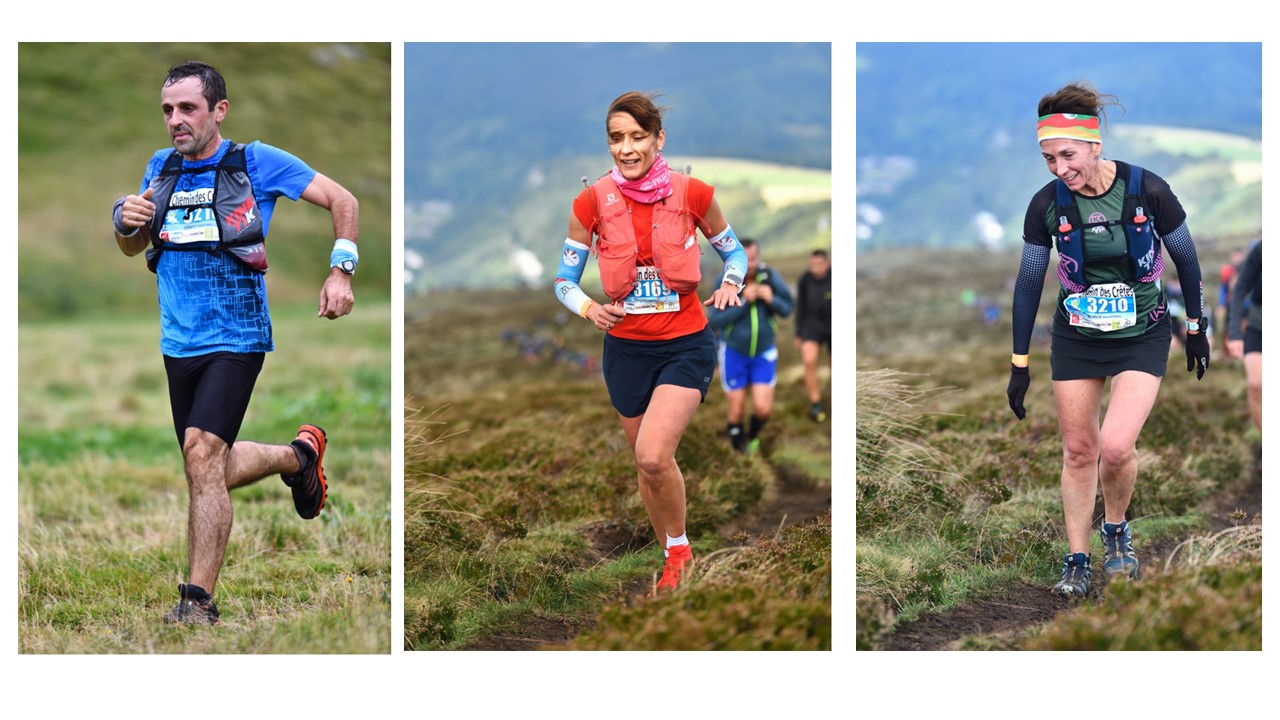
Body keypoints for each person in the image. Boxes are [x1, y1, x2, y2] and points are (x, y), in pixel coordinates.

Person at [112, 61, 360, 624]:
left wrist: (340, 270)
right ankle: (298, 457)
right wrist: (126, 223)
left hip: (238, 331)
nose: (176, 121)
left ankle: (197, 603)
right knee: (207, 469)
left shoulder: (256, 162)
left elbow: (343, 199)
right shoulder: (161, 167)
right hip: (179, 341)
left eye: (188, 108)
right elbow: (135, 248)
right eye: (168, 110)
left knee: (203, 454)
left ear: (218, 110)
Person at [1006, 83, 1208, 599]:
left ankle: (1116, 531)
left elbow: (1185, 258)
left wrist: (1197, 328)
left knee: (1116, 448)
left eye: (1067, 154)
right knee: (1079, 451)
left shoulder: (1147, 189)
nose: (1058, 167)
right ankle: (1077, 558)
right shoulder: (1045, 205)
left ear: (1095, 144)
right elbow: (1030, 280)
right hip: (1077, 337)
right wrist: (1019, 362)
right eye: (1048, 157)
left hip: (1143, 333)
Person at [553, 91, 747, 592]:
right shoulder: (591, 202)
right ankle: (670, 555)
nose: (626, 148)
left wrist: (731, 284)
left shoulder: (696, 194)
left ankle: (680, 554)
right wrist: (590, 308)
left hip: (686, 344)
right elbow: (563, 282)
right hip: (625, 351)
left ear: (659, 139)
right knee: (647, 465)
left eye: (638, 137)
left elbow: (735, 254)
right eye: (616, 138)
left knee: (654, 456)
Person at [707, 238, 793, 454]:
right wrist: (744, 301)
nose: (750, 263)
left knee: (763, 410)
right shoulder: (725, 281)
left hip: (763, 354)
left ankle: (752, 437)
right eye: (745, 259)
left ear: (759, 257)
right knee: (735, 411)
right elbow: (714, 320)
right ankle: (739, 454)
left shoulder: (770, 277)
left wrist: (771, 299)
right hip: (734, 354)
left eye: (753, 258)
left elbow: (787, 309)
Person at [1226, 239, 1262, 431]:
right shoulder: (1262, 248)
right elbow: (1240, 288)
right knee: (1256, 385)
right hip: (1258, 324)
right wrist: (1235, 333)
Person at [794, 249, 832, 422]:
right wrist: (798, 333)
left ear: (827, 263)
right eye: (812, 265)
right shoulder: (804, 280)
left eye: (819, 264)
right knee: (809, 361)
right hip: (811, 325)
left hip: (832, 325)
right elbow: (800, 307)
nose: (815, 268)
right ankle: (815, 404)